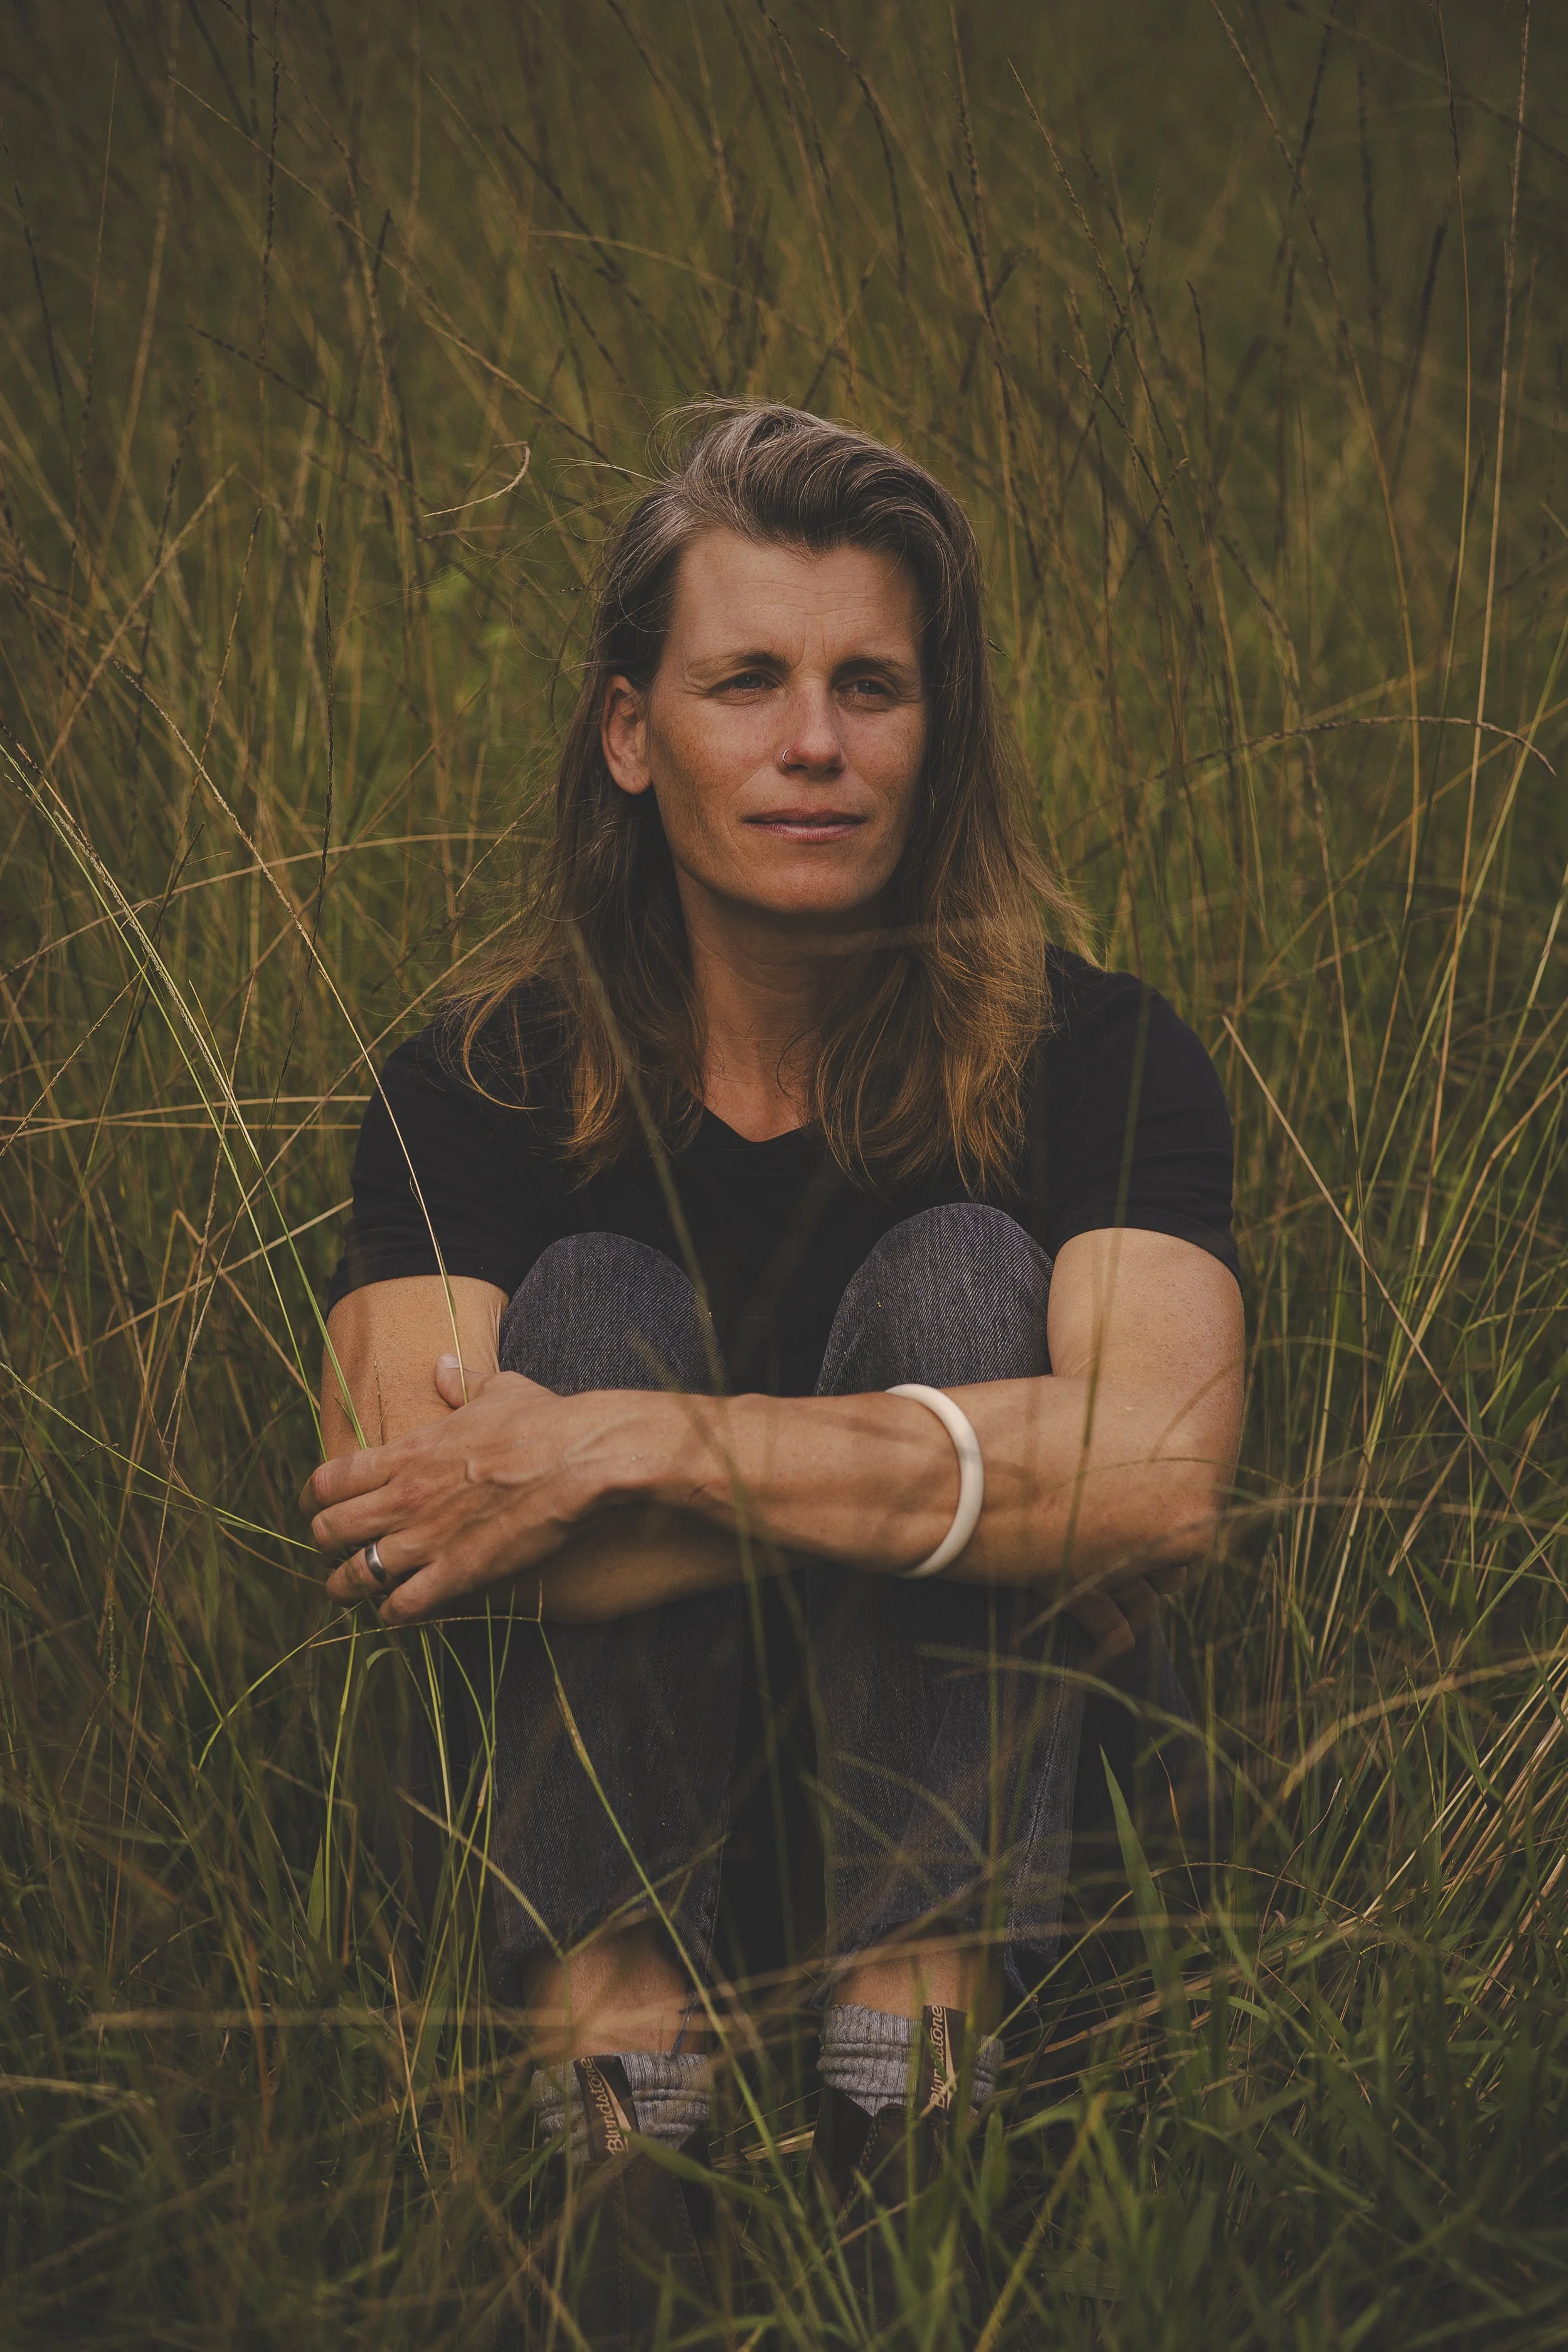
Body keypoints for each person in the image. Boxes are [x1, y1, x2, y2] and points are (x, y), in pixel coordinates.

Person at [302, 403, 1244, 2344]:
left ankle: (915, 2134)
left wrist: (624, 1452)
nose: (813, 742)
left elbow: (1153, 1475)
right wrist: (956, 1496)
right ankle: (625, 2157)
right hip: (615, 1843)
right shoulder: (472, 1086)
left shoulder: (1095, 1055)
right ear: (633, 734)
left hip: (997, 1864)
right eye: (747, 680)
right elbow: (416, 1524)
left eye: (867, 685)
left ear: (931, 731)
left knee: (956, 1271)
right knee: (587, 1293)